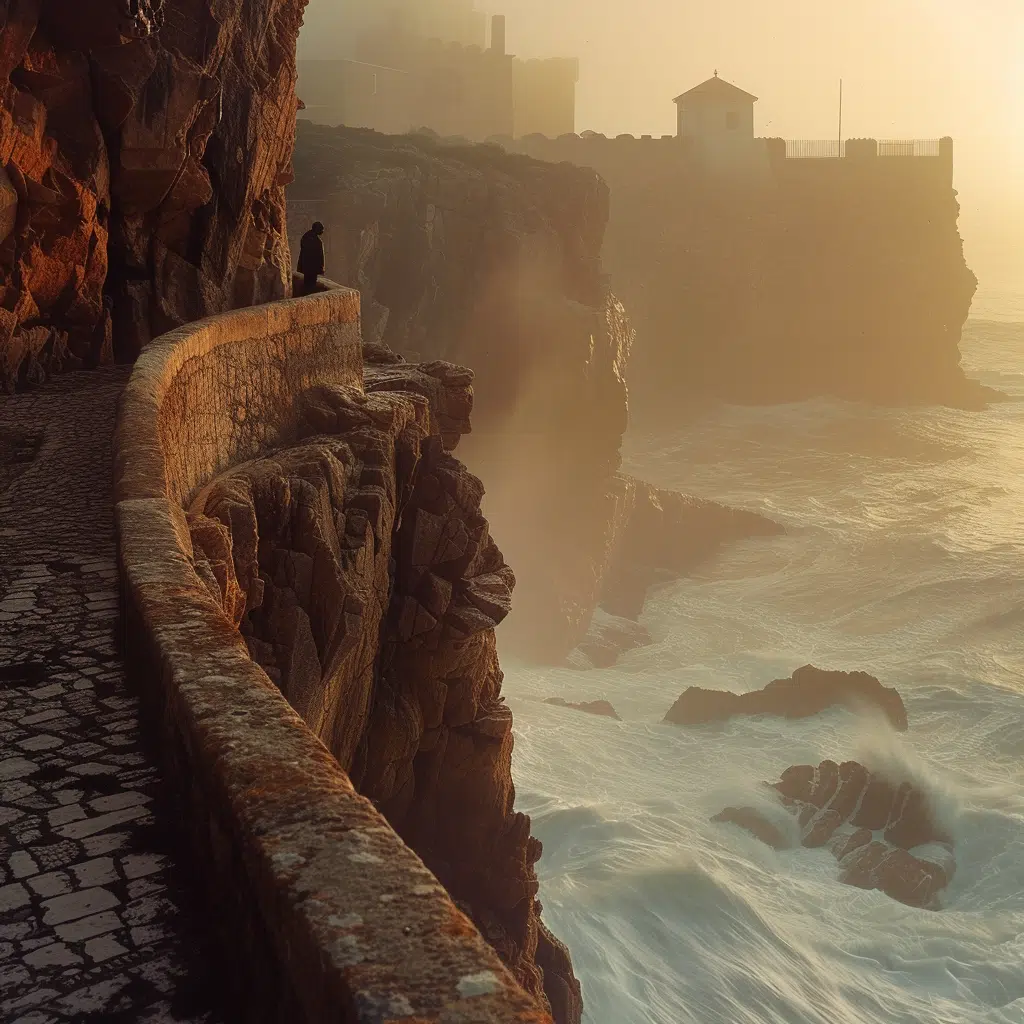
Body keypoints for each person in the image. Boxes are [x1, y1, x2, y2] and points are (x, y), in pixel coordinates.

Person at [297, 221, 326, 295]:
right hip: (313, 268)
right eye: (321, 229)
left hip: (306, 266)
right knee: (311, 286)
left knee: (306, 283)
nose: (322, 231)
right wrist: (321, 269)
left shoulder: (306, 237)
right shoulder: (317, 241)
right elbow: (320, 257)